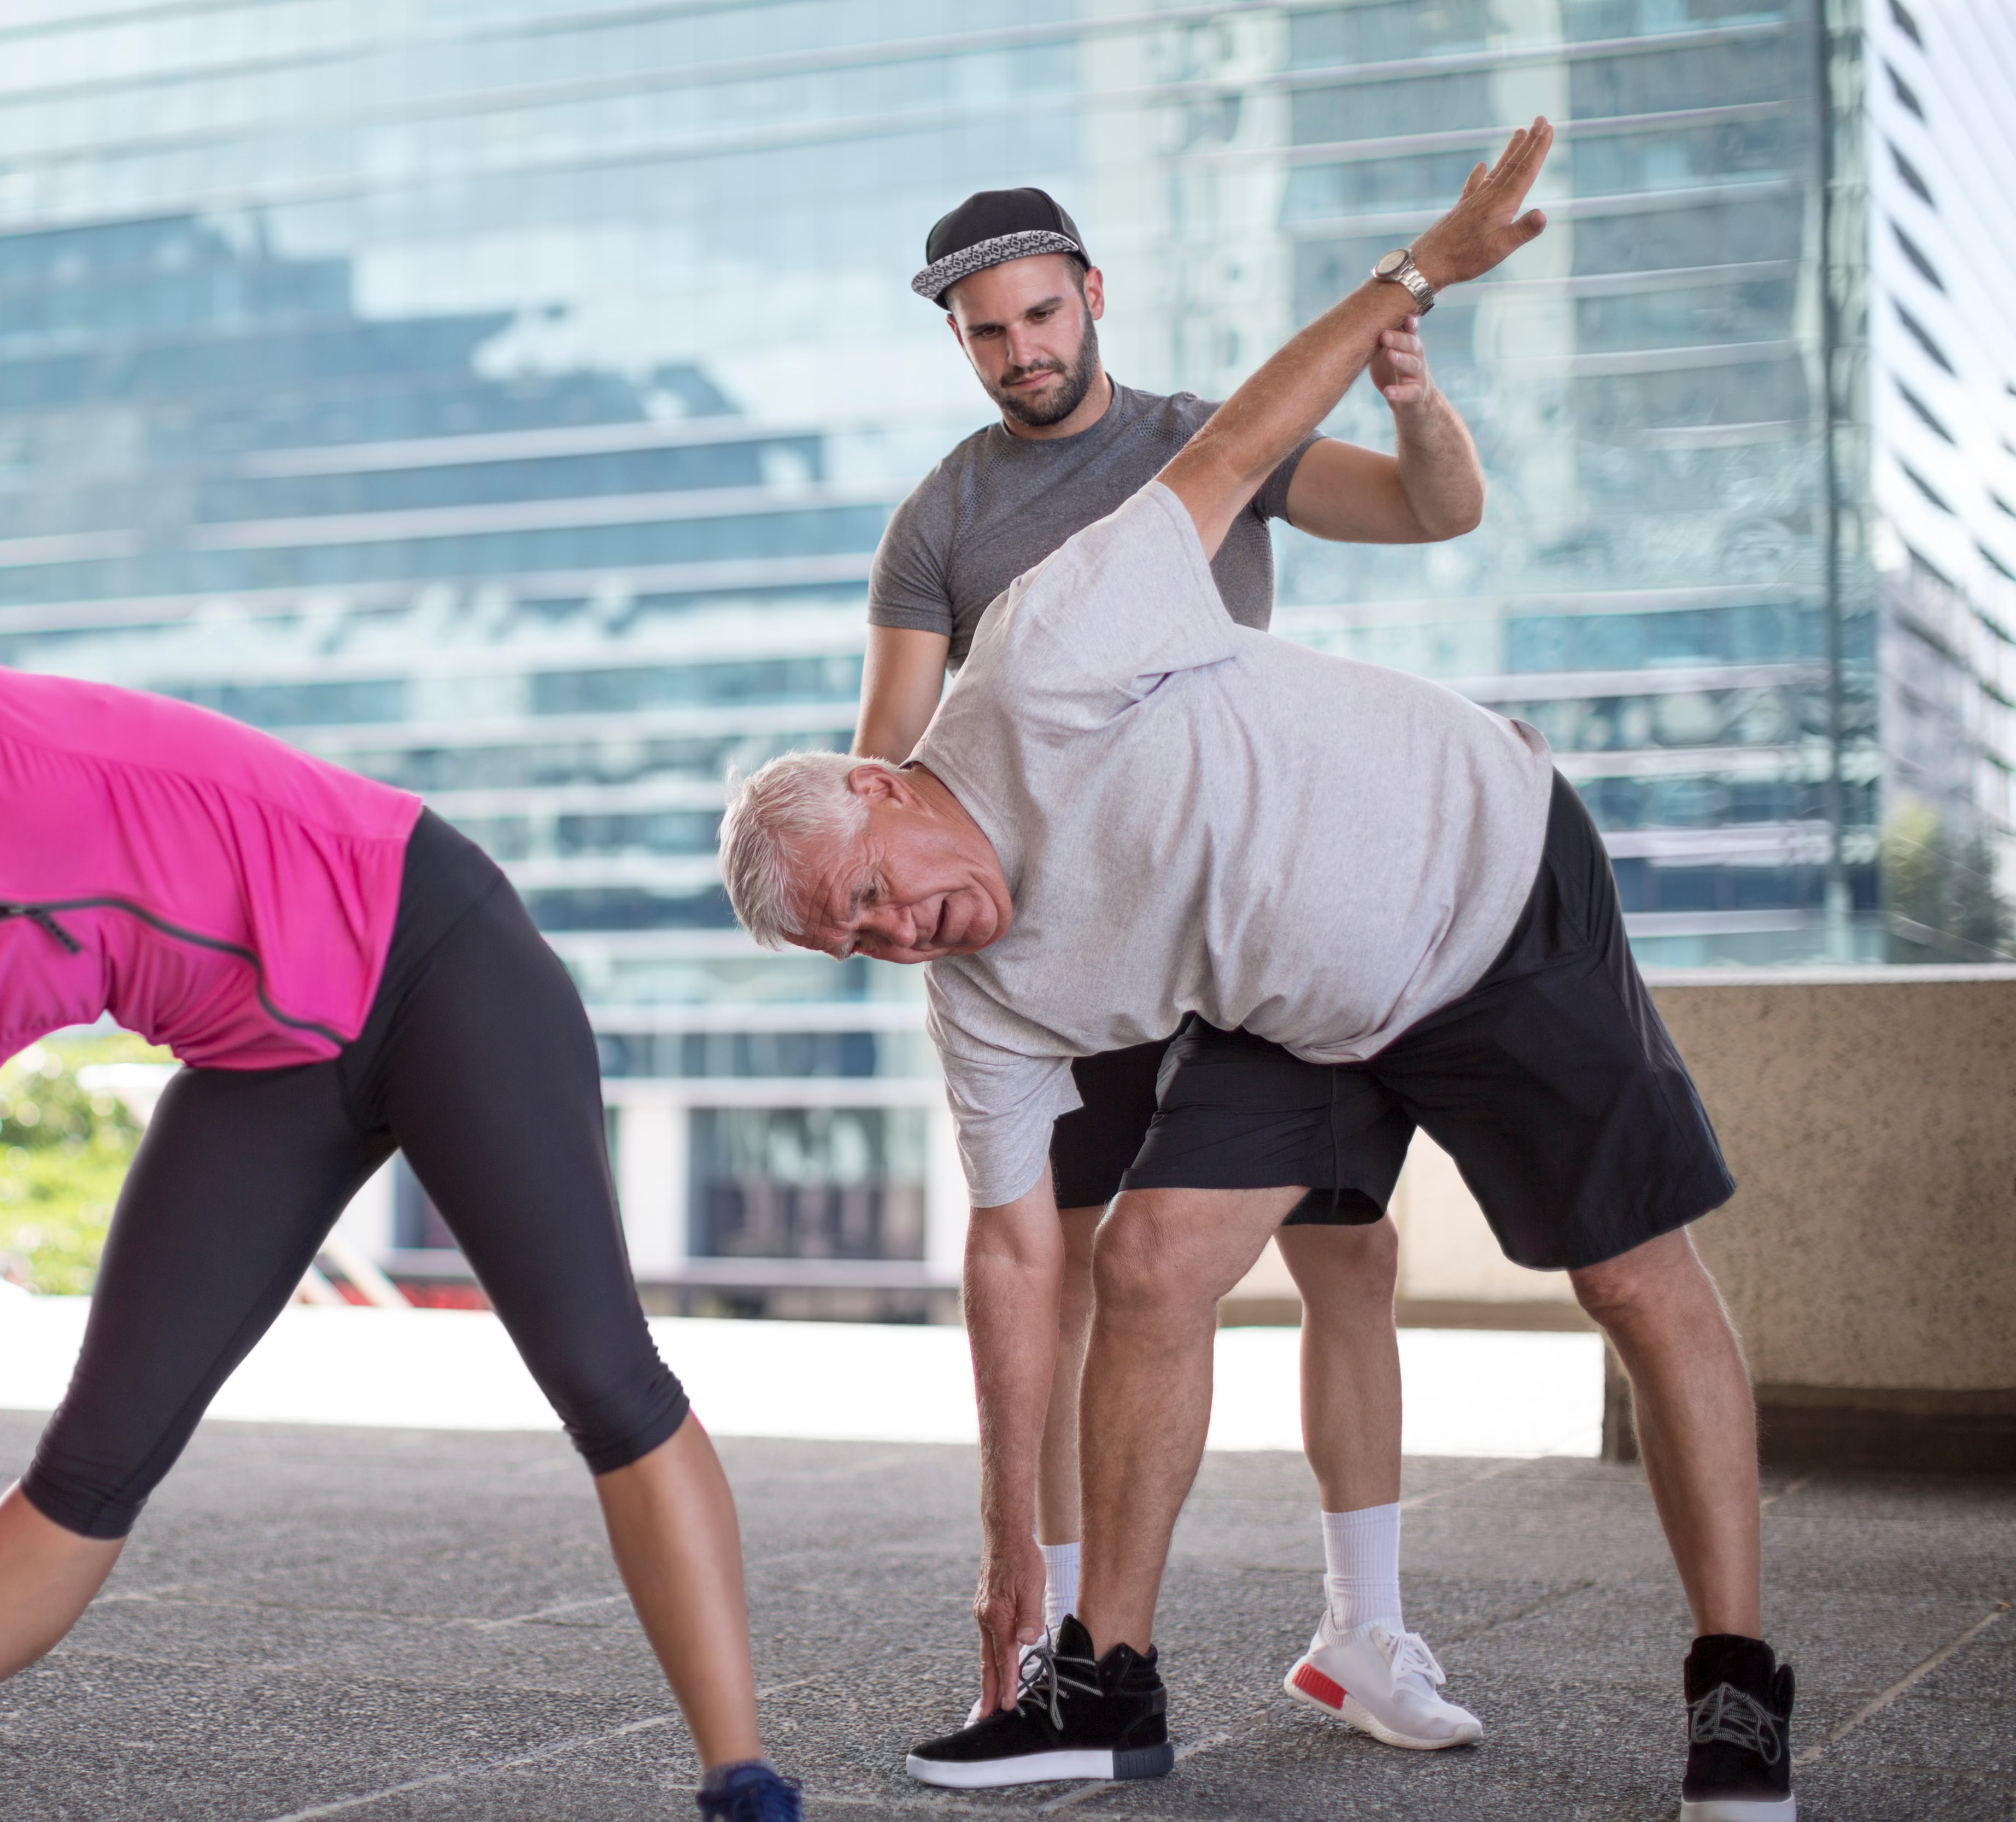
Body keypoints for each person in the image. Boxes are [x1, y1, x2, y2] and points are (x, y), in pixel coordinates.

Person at [0, 9, 802, 1820]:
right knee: (100, 1449)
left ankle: (745, 1779)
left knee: (599, 1369)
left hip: (430, 943)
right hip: (270, 1065)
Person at [718, 122, 1796, 1820]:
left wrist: (1424, 275)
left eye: (873, 896)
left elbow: (1256, 442)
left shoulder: (1062, 628)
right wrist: (1012, 1541)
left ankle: (1734, 1691)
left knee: (1631, 1279)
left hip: (1480, 888)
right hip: (1282, 991)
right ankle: (1106, 1684)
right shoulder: (970, 960)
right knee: (1142, 1265)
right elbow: (1011, 1261)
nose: (892, 936)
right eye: (852, 939)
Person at [863, 184, 1497, 1754]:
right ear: (959, 342)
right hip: (1083, 949)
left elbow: (1436, 514)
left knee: (1350, 1266)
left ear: (1090, 291)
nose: (1020, 352)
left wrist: (1417, 404)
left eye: (1039, 314)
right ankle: (1066, 1656)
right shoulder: (941, 519)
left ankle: (1365, 1635)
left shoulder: (1202, 439)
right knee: (1074, 1281)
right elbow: (888, 753)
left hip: (1261, 923)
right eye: (985, 333)